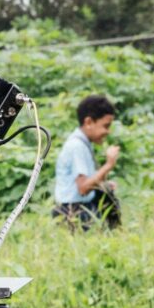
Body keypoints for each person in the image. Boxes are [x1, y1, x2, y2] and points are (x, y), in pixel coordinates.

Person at [53, 94, 120, 228]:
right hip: (74, 211)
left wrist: (103, 183)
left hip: (77, 209)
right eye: (105, 126)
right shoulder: (77, 146)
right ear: (88, 122)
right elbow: (83, 188)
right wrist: (108, 165)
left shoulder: (83, 143)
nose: (108, 131)